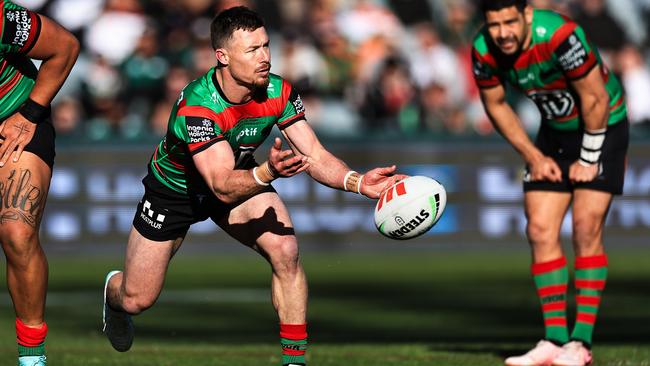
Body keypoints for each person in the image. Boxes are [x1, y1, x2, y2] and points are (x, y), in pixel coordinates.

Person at [101, 6, 404, 366]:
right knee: (137, 298)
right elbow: (221, 185)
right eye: (252, 50)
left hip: (240, 180)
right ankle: (112, 296)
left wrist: (356, 181)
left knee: (286, 251)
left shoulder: (277, 90)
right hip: (175, 194)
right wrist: (268, 173)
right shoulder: (198, 107)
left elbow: (314, 154)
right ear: (223, 57)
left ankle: (295, 361)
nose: (264, 57)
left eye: (266, 46)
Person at [472, 1, 628, 365]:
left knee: (586, 228)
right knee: (540, 229)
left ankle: (581, 344)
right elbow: (495, 105)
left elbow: (596, 97)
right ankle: (554, 340)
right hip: (553, 134)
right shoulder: (482, 49)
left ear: (527, 15)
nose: (503, 33)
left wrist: (589, 158)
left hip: (601, 128)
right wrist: (533, 156)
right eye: (494, 25)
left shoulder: (560, 35)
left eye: (511, 22)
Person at [0, 2, 79, 366]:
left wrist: (30, 113)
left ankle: (32, 357)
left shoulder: (1, 17)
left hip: (16, 122)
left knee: (18, 232)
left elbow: (64, 46)